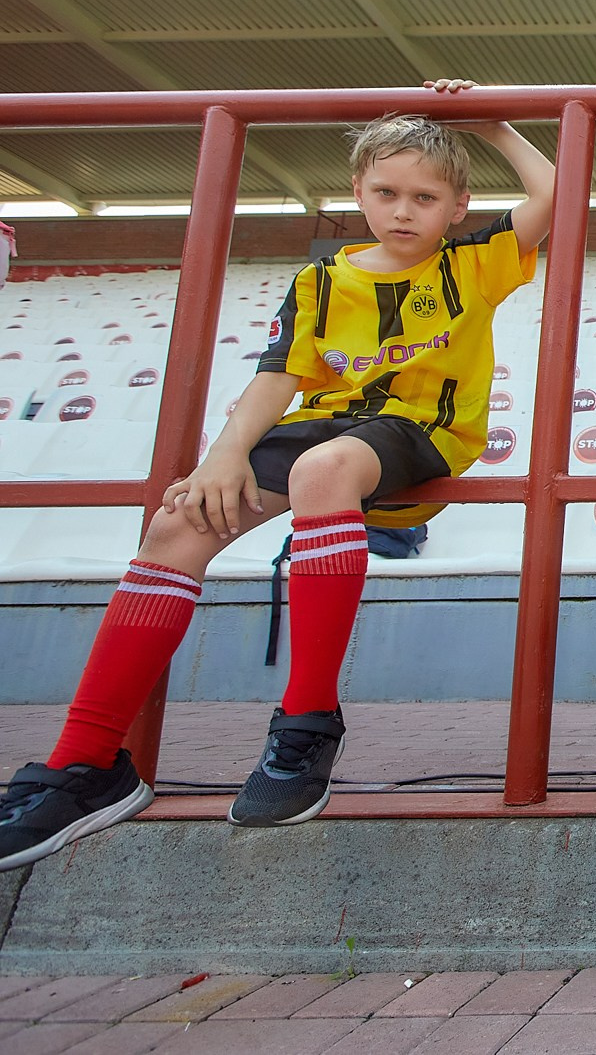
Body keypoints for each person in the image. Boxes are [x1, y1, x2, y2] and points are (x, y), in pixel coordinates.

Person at [0, 82, 554, 871]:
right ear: (358, 191)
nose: (404, 210)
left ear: (458, 205)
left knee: (324, 470)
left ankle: (305, 723)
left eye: (425, 197)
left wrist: (494, 123)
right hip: (325, 427)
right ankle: (86, 762)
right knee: (178, 522)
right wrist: (223, 453)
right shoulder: (322, 279)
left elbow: (559, 194)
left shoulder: (475, 260)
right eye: (386, 192)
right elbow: (277, 376)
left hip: (421, 430)